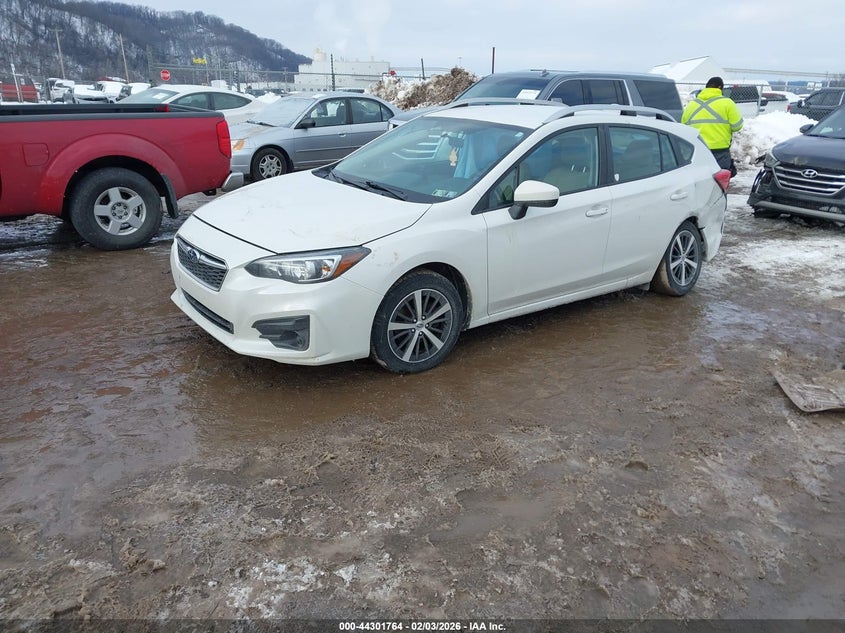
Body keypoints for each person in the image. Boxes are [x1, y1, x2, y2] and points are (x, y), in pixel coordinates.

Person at [681, 76, 743, 176]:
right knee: (719, 185)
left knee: (698, 181)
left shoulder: (691, 105)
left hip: (697, 151)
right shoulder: (727, 103)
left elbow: (683, 127)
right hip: (720, 152)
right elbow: (737, 126)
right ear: (720, 88)